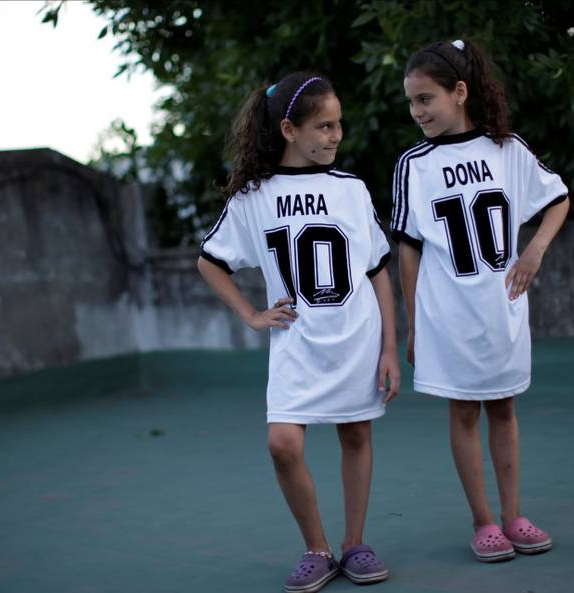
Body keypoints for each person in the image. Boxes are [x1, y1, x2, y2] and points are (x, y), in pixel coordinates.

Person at [198, 72, 399, 592]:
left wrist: (389, 349)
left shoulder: (351, 190)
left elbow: (379, 271)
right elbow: (211, 262)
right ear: (288, 128)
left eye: (339, 125)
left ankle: (355, 545)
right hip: (296, 345)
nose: (335, 136)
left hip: (356, 336)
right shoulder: (254, 197)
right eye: (323, 126)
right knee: (283, 444)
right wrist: (251, 313)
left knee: (355, 434)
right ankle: (317, 548)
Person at [391, 39, 570, 563]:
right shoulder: (413, 165)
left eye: (426, 99)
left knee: (504, 406)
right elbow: (408, 252)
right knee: (463, 410)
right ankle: (483, 521)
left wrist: (534, 248)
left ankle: (515, 514)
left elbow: (557, 199)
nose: (417, 112)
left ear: (460, 93)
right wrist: (413, 324)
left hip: (502, 309)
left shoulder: (507, 149)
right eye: (411, 102)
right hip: (446, 316)